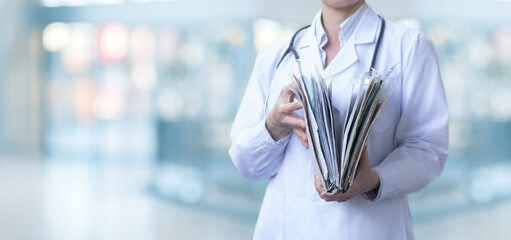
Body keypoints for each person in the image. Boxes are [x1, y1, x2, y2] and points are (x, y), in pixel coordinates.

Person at [229, 0, 449, 239]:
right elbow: (247, 163)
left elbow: (428, 150)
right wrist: (273, 127)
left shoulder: (410, 47)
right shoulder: (275, 56)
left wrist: (375, 179)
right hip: (286, 228)